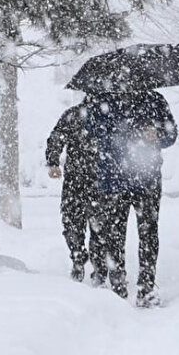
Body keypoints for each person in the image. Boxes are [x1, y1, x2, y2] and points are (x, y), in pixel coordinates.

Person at [84, 90, 176, 308]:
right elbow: (89, 131)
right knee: (114, 235)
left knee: (148, 233)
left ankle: (146, 287)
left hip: (147, 179)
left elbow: (171, 135)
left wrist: (158, 134)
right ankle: (118, 286)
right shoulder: (100, 100)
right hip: (114, 180)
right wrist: (118, 134)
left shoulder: (155, 100)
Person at [46, 101, 106, 285]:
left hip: (90, 180)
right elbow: (57, 137)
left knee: (81, 224)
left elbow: (56, 137)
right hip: (89, 179)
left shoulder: (76, 114)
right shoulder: (84, 115)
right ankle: (86, 261)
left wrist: (54, 161)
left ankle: (89, 262)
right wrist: (53, 161)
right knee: (87, 225)